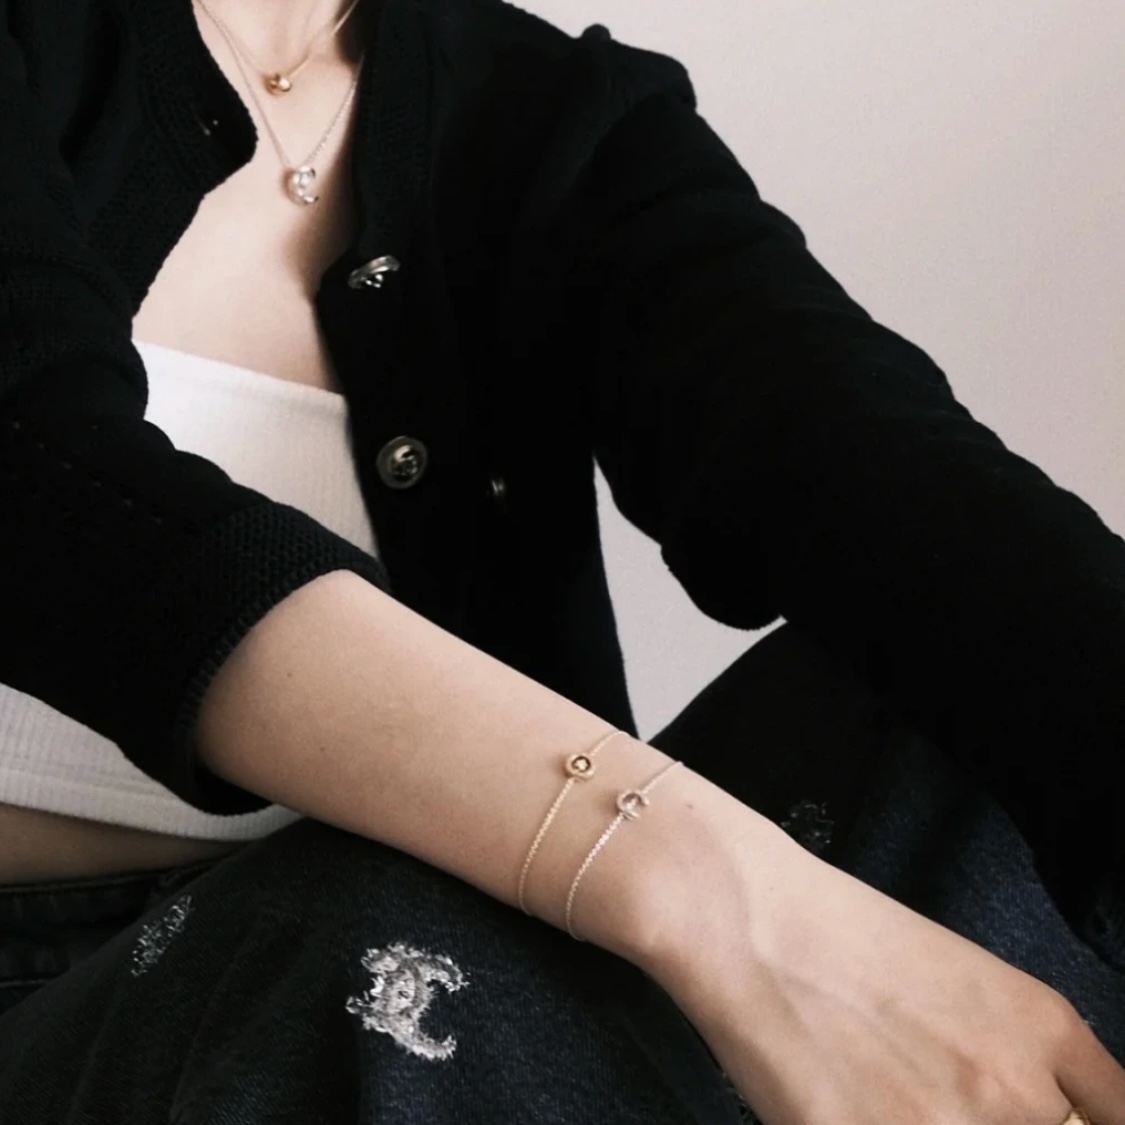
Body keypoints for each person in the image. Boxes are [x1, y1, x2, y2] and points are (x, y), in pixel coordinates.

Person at [0, 0, 1123, 1121]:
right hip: (110, 1008)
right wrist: (718, 899)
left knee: (986, 718)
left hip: (464, 1010)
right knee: (370, 955)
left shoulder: (547, 111)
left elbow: (895, 489)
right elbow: (48, 493)